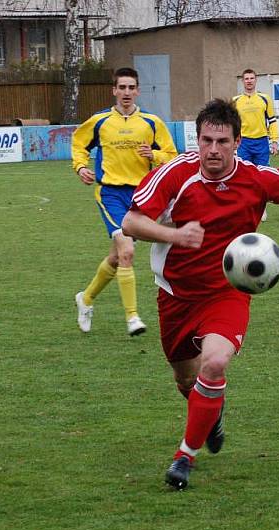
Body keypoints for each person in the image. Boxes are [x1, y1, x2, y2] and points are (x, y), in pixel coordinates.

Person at [122, 99, 279, 490]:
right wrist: (175, 235)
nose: (213, 149)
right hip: (175, 294)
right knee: (186, 379)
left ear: (237, 142)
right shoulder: (176, 174)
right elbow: (131, 221)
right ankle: (209, 412)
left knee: (214, 364)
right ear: (196, 139)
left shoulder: (256, 177)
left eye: (222, 141)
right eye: (206, 140)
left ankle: (184, 456)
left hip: (226, 294)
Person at [72, 67, 177, 336]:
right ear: (114, 90)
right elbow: (79, 143)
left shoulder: (151, 122)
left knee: (116, 257)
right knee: (127, 251)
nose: (127, 92)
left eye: (132, 88)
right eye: (122, 87)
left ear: (138, 90)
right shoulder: (100, 121)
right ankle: (133, 318)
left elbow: (172, 155)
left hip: (142, 196)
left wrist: (154, 154)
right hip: (110, 194)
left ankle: (85, 299)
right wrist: (81, 166)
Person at [233, 68, 279, 221]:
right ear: (242, 81)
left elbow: (272, 121)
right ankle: (246, 207)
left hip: (261, 142)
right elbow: (231, 124)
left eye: (252, 78)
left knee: (262, 176)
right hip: (243, 143)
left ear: (255, 80)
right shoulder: (235, 101)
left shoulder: (264, 99)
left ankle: (262, 209)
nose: (249, 81)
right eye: (246, 78)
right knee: (244, 176)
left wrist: (274, 141)